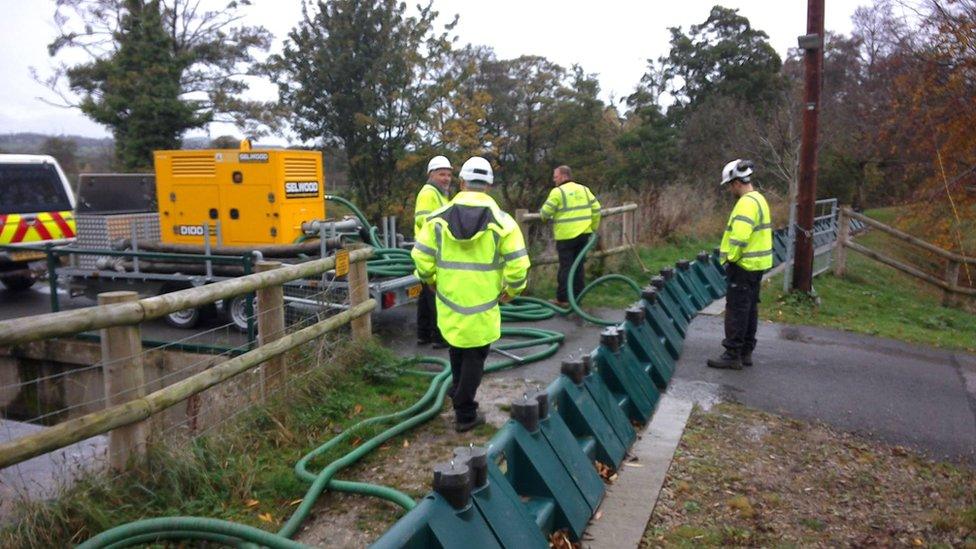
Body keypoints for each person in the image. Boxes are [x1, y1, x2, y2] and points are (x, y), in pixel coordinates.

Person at [411, 156, 530, 432]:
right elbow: (519, 264)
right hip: (484, 303)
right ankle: (464, 411)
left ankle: (459, 395)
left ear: (462, 182)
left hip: (449, 299)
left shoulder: (437, 219)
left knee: (457, 349)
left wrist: (429, 279)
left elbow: (421, 256)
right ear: (488, 186)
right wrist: (512, 290)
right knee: (476, 355)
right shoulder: (503, 222)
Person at [707, 159, 773, 370]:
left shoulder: (745, 203)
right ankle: (746, 351)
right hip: (757, 265)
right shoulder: (759, 200)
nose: (729, 190)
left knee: (736, 309)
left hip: (743, 265)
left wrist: (730, 258)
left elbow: (740, 236)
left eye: (729, 185)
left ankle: (732, 353)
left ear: (737, 182)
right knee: (750, 308)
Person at [538, 165, 601, 307]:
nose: (554, 180)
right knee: (579, 267)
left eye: (556, 176)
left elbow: (545, 213)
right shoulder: (584, 190)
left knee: (565, 267)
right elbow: (596, 209)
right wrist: (593, 227)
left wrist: (542, 215)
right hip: (584, 234)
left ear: (564, 176)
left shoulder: (557, 192)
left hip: (565, 236)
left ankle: (563, 299)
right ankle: (578, 297)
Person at [413, 155, 453, 348]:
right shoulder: (429, 193)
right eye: (441, 174)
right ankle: (439, 337)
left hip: (431, 249)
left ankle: (424, 334)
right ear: (431, 174)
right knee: (436, 294)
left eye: (448, 174)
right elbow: (424, 221)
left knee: (426, 294)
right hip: (432, 250)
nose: (446, 178)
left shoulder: (440, 193)